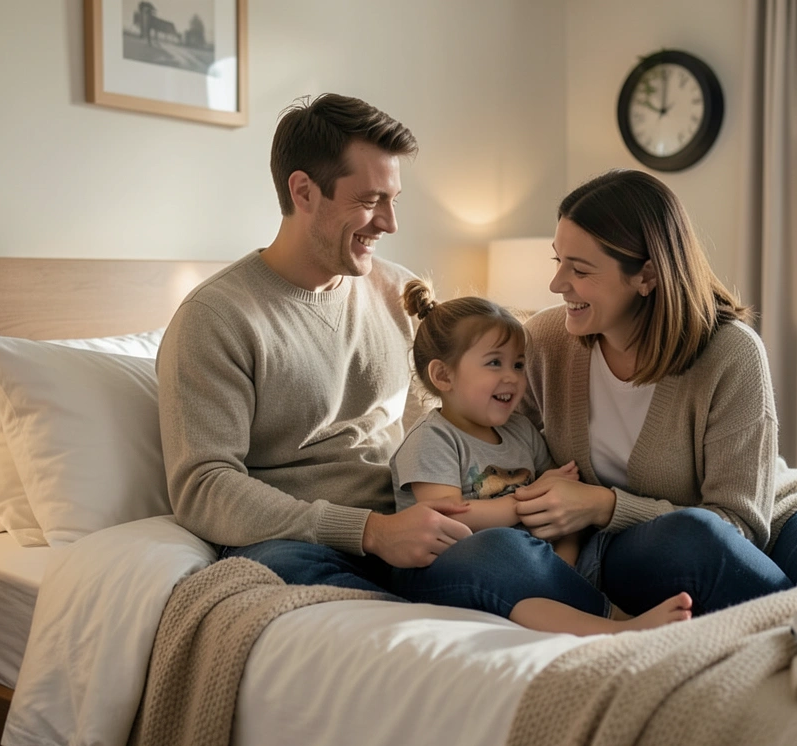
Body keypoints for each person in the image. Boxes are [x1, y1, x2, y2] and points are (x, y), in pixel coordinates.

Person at [157, 93, 613, 623]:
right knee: (301, 588)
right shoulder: (216, 317)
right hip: (299, 539)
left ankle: (616, 623)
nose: (390, 223)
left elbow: (450, 424)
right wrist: (369, 533)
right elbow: (203, 487)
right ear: (303, 191)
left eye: (393, 199)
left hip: (412, 529)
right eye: (372, 200)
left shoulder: (399, 292)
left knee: (510, 550)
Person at [515, 169, 797, 617]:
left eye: (579, 269)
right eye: (557, 261)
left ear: (647, 275)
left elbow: (739, 522)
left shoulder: (731, 352)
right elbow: (492, 445)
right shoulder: (544, 341)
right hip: (654, 545)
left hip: (770, 512)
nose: (557, 283)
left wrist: (607, 505)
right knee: (689, 542)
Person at [390, 278, 692, 634]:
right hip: (447, 569)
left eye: (518, 365)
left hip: (533, 562)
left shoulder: (522, 431)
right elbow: (447, 518)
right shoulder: (433, 439)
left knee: (599, 544)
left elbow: (563, 504)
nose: (513, 377)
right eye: (494, 363)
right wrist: (526, 504)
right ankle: (616, 624)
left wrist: (561, 563)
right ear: (443, 375)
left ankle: (600, 614)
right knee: (498, 546)